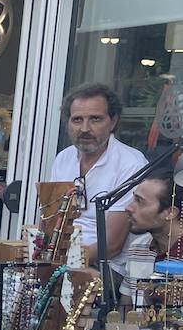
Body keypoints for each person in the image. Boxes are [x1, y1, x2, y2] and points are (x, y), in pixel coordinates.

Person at [47, 83, 146, 275]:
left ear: (113, 121)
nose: (85, 128)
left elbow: (111, 246)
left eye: (95, 119)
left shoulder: (131, 164)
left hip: (106, 267)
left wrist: (59, 263)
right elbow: (53, 219)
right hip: (62, 259)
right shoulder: (63, 159)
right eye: (77, 120)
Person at [125, 170, 183, 259]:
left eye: (140, 202)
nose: (128, 208)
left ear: (170, 213)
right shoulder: (137, 248)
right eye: (134, 199)